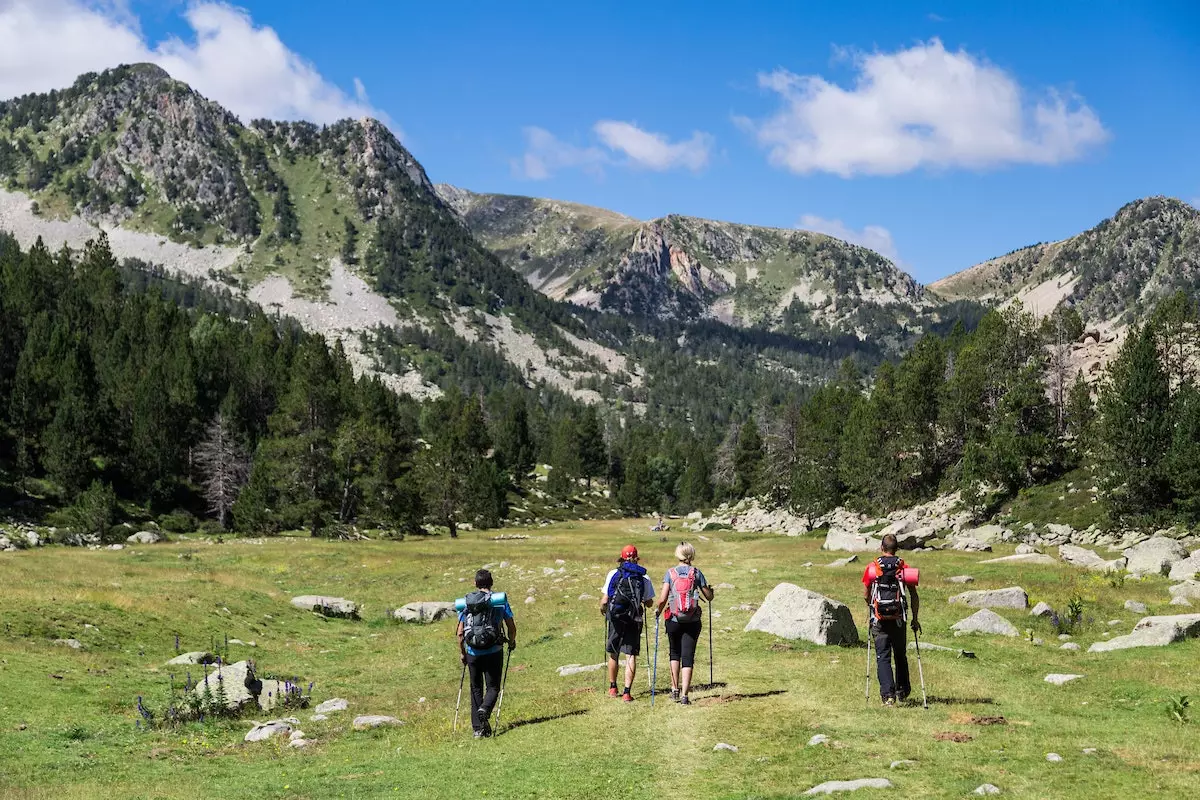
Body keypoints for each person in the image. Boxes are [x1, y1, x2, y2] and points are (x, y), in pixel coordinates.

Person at [862, 533, 920, 706]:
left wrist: (871, 607)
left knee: (883, 656)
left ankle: (888, 696)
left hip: (879, 619)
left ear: (881, 548)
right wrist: (915, 619)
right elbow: (914, 596)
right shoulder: (903, 568)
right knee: (900, 654)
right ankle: (902, 691)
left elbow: (866, 594)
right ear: (896, 549)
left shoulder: (873, 568)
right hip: (898, 619)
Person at [457, 568, 517, 737]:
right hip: (494, 650)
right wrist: (511, 642)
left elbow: (460, 633)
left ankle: (478, 729)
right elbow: (511, 627)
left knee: (475, 688)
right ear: (491, 583)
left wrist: (463, 653)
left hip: (472, 652)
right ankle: (485, 709)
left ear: (475, 584)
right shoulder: (499, 601)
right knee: (493, 687)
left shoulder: (467, 603)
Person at [654, 541, 714, 705]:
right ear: (691, 555)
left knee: (674, 653)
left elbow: (663, 598)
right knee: (688, 657)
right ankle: (685, 696)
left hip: (673, 619)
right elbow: (708, 597)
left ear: (678, 555)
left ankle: (674, 690)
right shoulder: (696, 573)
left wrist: (658, 611)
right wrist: (711, 591)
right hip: (692, 619)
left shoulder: (670, 573)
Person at [600, 545, 655, 702]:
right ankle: (626, 692)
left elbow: (605, 600)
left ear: (622, 557)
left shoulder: (614, 573)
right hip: (634, 618)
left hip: (616, 617)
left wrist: (603, 609)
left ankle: (612, 688)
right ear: (637, 557)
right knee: (630, 655)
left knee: (614, 652)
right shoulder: (644, 578)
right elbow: (649, 602)